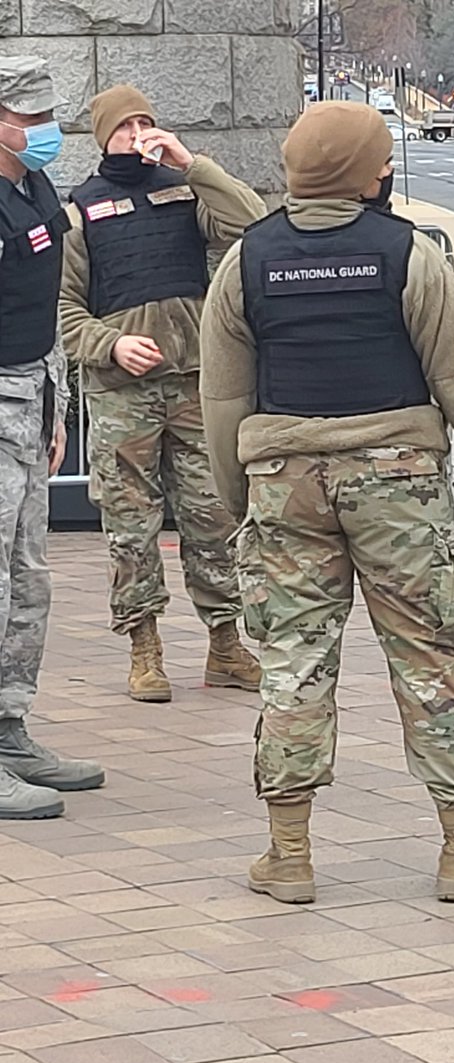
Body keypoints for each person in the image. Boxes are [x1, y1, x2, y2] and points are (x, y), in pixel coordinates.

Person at [200, 102, 454, 905]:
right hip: (398, 485)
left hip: (285, 484)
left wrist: (233, 499)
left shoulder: (248, 262)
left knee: (292, 664)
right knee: (427, 660)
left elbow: (222, 395)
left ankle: (289, 856)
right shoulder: (410, 255)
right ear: (369, 172)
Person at [60, 85, 266, 703]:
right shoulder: (79, 213)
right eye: (126, 126)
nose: (139, 133)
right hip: (122, 394)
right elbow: (64, 312)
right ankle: (143, 647)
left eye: (147, 122)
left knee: (214, 516)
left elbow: (252, 225)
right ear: (104, 136)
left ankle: (225, 644)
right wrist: (110, 345)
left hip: (195, 383)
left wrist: (191, 163)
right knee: (131, 527)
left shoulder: (183, 194)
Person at [0, 56, 104, 819]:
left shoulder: (32, 188)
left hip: (31, 394)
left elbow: (45, 308)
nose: (44, 132)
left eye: (46, 117)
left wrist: (56, 409)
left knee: (27, 578)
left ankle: (10, 730)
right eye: (29, 119)